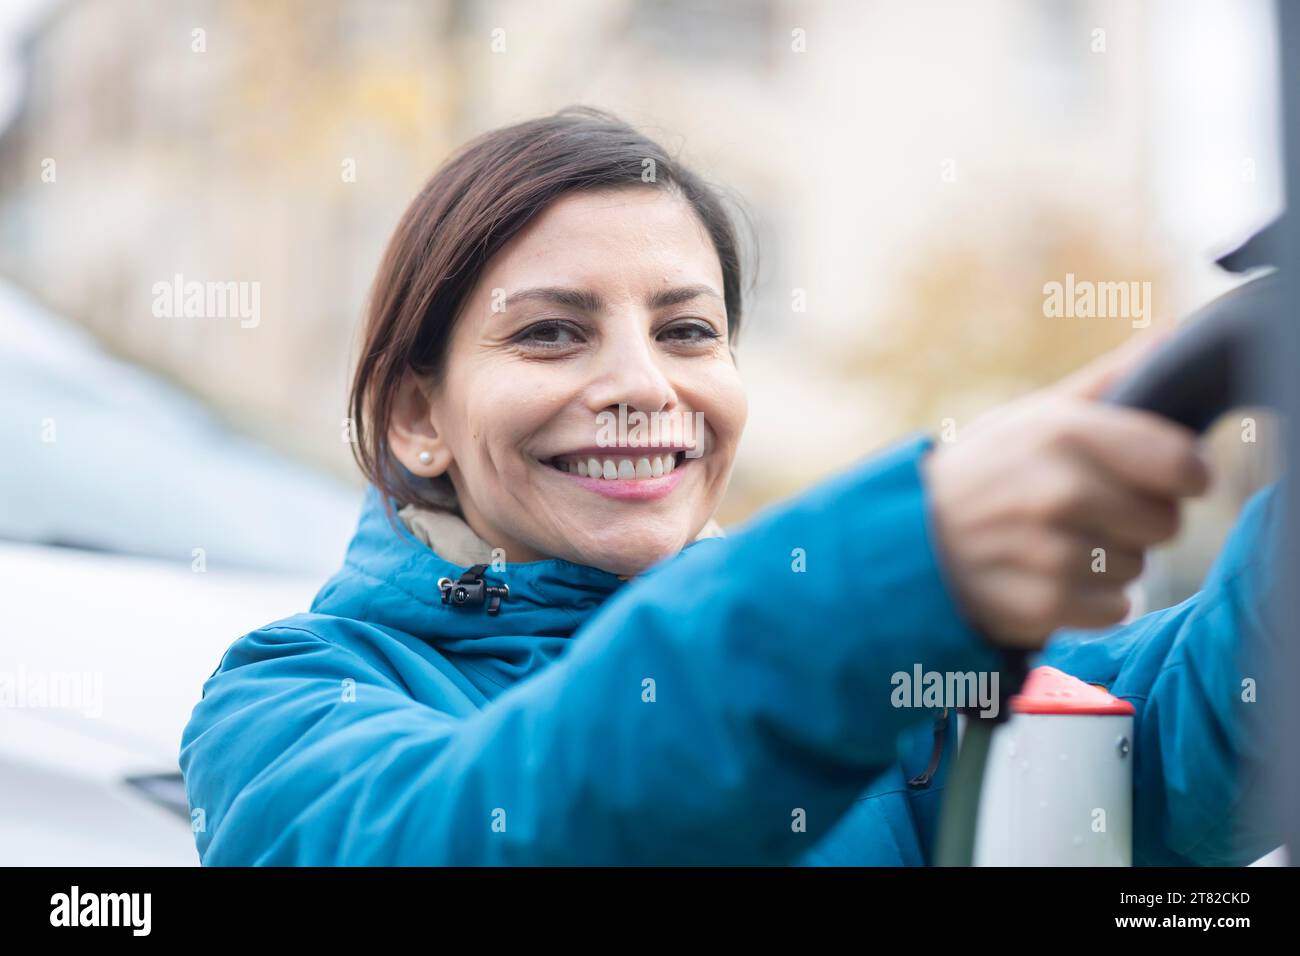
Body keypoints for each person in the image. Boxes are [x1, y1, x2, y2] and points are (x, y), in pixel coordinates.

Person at [179, 107, 1282, 865]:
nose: (640, 384)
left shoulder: (895, 672)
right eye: (554, 332)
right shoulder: (285, 700)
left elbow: (1204, 735)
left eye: (687, 330)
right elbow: (478, 828)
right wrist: (898, 569)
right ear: (417, 417)